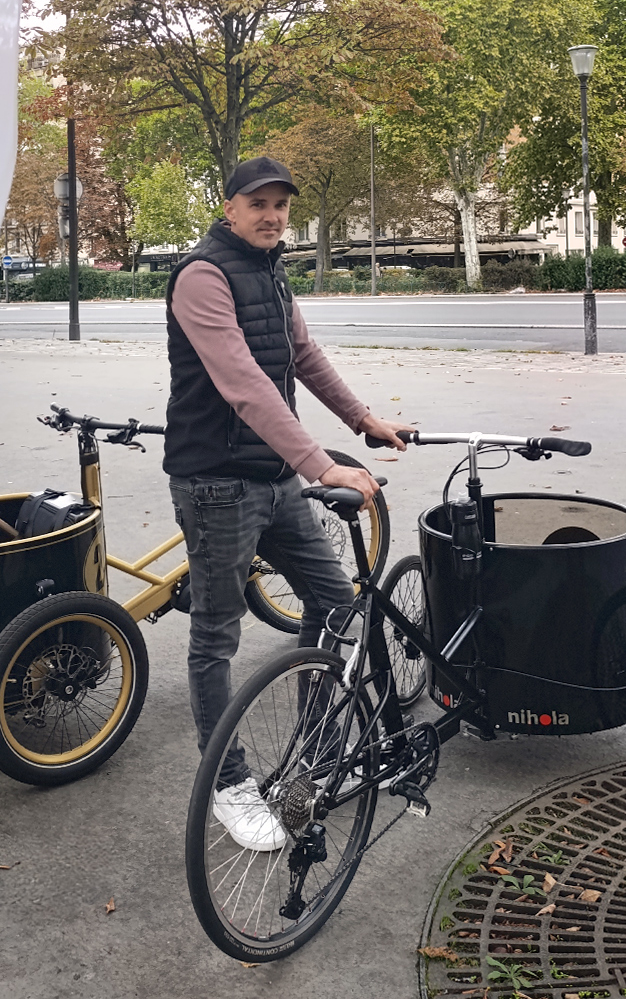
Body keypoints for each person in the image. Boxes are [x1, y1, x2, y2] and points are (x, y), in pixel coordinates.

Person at [165, 156, 410, 852]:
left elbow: (303, 355)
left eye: (281, 205)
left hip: (273, 480)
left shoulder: (271, 271)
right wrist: (322, 464)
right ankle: (229, 786)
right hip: (216, 483)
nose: (272, 216)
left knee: (335, 604)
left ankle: (316, 750)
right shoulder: (202, 276)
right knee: (216, 635)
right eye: (258, 204)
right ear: (229, 207)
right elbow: (244, 385)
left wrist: (363, 420)